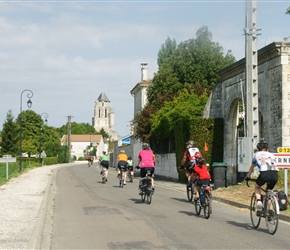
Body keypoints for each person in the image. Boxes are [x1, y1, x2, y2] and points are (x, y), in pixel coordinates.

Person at [245, 139, 279, 214]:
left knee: (257, 187)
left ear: (258, 148)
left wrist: (248, 177)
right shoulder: (272, 154)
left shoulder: (256, 155)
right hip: (275, 174)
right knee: (269, 191)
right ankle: (270, 211)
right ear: (267, 148)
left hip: (264, 174)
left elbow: (251, 168)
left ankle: (259, 202)